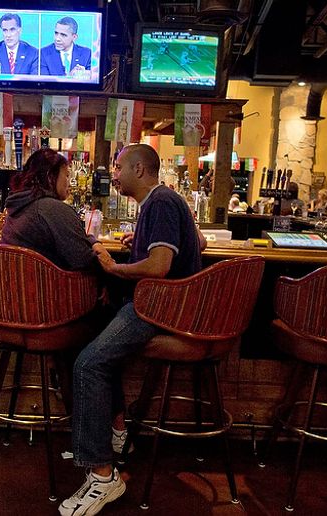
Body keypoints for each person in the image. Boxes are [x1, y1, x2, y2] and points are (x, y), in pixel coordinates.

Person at [59, 144, 204, 516]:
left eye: (119, 166)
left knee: (88, 364)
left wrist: (114, 267)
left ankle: (103, 477)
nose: (114, 173)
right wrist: (137, 245)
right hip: (162, 304)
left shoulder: (160, 203)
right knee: (91, 347)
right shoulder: (163, 203)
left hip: (161, 308)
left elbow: (158, 268)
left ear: (140, 171)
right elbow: (197, 242)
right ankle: (114, 439)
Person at [0, 148, 104, 271]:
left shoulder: (19, 204)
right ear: (50, 176)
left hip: (17, 284)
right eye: (66, 175)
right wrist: (99, 249)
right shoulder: (52, 210)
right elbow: (84, 260)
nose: (69, 182)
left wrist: (92, 241)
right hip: (50, 287)